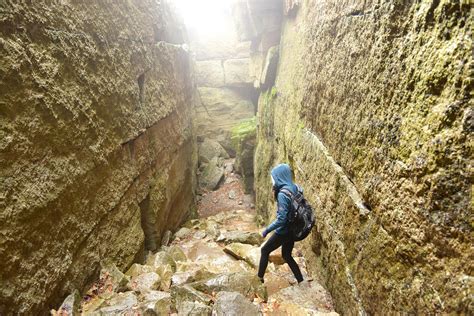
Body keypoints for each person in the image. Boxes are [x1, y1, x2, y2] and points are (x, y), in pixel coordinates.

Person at [257, 163, 303, 284]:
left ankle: (259, 279)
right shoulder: (295, 187)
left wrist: (267, 230)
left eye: (274, 177)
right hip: (293, 229)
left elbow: (281, 219)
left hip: (284, 231)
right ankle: (301, 280)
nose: (273, 180)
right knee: (287, 255)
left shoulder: (282, 194)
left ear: (279, 177)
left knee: (264, 250)